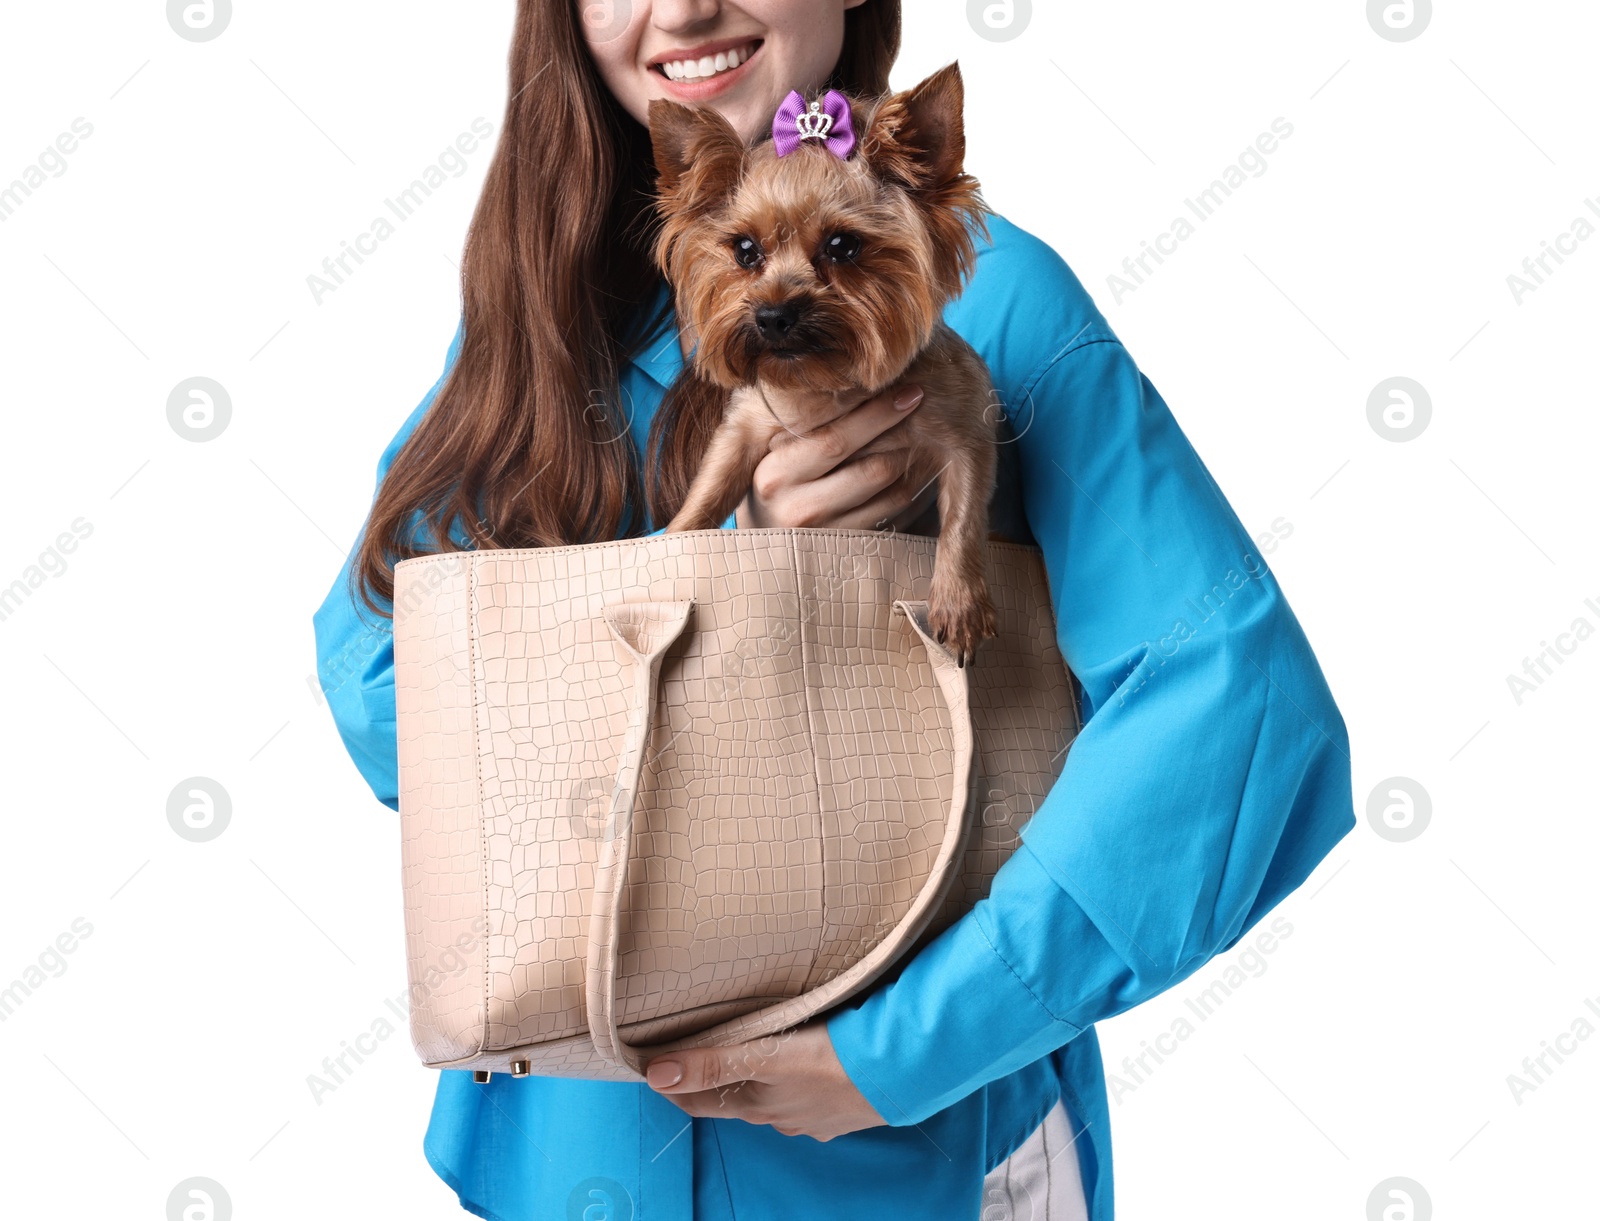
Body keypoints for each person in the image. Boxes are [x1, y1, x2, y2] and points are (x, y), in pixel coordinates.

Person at [312, 2, 1356, 1218]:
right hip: (573, 1155)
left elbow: (1239, 715)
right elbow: (386, 696)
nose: (684, 5)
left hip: (909, 1158)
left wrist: (902, 1050)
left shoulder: (1001, 306)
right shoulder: (542, 310)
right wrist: (723, 570)